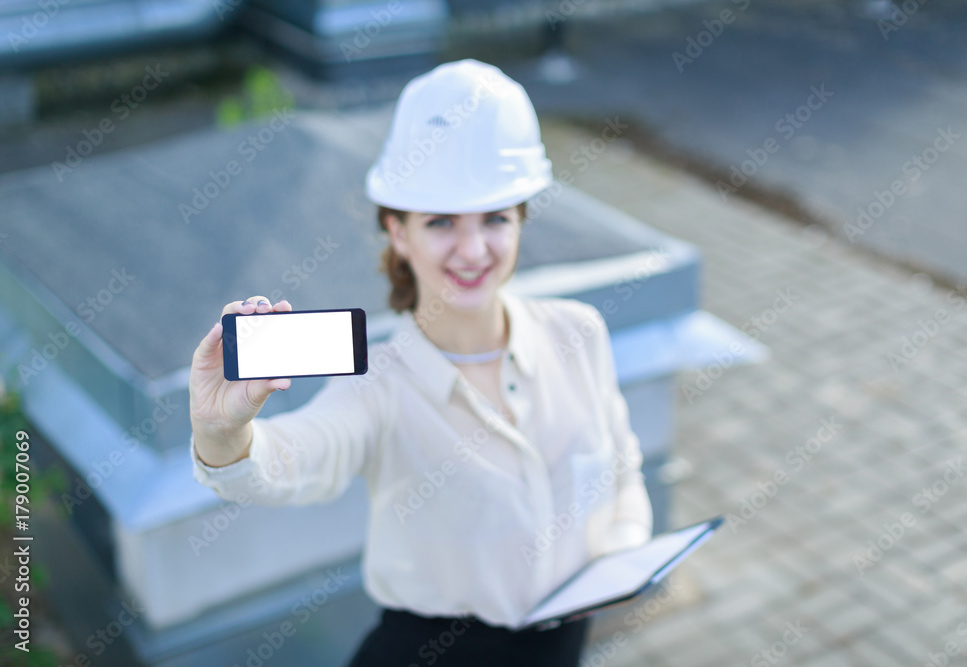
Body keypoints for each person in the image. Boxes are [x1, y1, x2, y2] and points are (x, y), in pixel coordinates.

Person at [189, 58, 653, 667]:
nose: (473, 249)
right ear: (398, 233)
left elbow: (623, 469)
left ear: (521, 220)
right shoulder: (378, 387)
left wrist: (621, 564)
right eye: (440, 223)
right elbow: (293, 458)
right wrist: (224, 432)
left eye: (495, 218)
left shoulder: (579, 333)